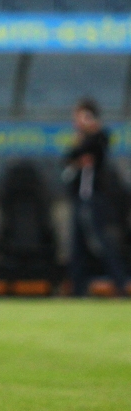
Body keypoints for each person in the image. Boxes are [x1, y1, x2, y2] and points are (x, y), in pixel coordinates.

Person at [63, 98, 128, 296]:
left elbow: (96, 147)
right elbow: (70, 157)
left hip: (95, 200)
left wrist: (88, 134)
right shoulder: (81, 139)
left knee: (104, 243)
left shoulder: (98, 137)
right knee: (78, 245)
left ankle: (121, 284)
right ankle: (78, 289)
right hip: (80, 199)